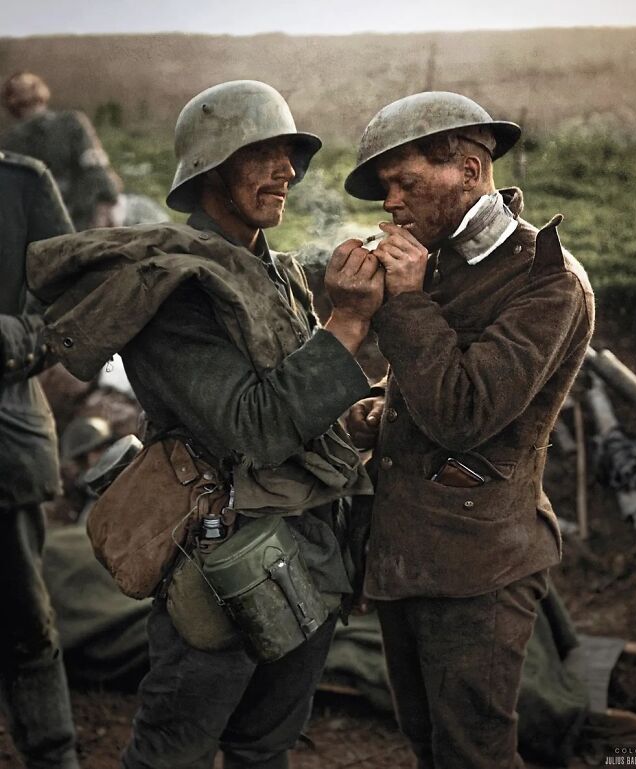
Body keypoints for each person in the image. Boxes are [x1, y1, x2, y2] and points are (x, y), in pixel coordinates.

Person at [25, 80, 384, 769]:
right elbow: (252, 426)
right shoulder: (175, 287)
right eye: (265, 154)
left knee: (264, 745)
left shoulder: (273, 273)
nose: (287, 170)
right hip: (226, 561)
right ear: (211, 168)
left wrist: (358, 415)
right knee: (173, 752)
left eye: (290, 155)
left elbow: (301, 403)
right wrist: (346, 323)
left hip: (309, 554)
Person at [343, 92, 595, 769]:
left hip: (478, 569)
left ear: (471, 169)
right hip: (409, 557)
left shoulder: (548, 282)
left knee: (473, 754)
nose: (391, 203)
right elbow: (424, 388)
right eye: (386, 188)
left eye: (407, 181)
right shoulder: (443, 256)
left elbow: (464, 409)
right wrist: (374, 412)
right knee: (430, 743)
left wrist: (403, 302)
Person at [0, 150, 80, 768]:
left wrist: (9, 338)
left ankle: (52, 755)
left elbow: (72, 307)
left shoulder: (21, 183)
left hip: (3, 449)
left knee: (23, 621)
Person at [1, 71, 122, 230]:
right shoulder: (71, 122)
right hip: (76, 219)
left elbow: (95, 168)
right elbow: (96, 168)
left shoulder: (8, 140)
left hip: (50, 223)